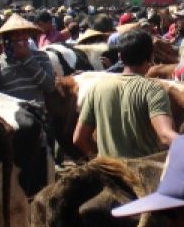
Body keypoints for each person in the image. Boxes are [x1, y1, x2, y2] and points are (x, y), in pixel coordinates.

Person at [74, 29, 178, 159]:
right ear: (151, 56)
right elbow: (165, 135)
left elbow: (79, 139)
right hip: (142, 174)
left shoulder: (97, 87)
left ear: (120, 57)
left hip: (110, 174)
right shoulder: (152, 90)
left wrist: (100, 160)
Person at [0, 12, 57, 106]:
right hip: (10, 117)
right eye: (15, 35)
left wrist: (28, 59)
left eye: (23, 34)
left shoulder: (41, 57)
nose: (20, 38)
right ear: (7, 38)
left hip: (38, 116)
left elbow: (50, 87)